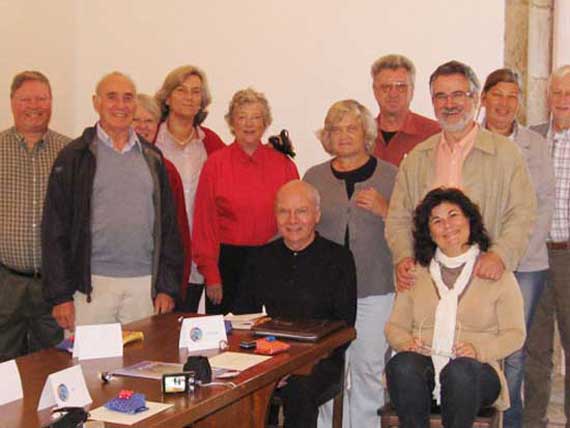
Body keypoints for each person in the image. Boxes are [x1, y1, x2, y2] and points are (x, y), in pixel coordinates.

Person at [42, 72, 183, 329]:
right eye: (112, 97)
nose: (121, 105)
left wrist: (166, 287)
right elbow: (55, 229)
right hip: (90, 288)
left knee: (144, 356)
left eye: (128, 98)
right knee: (88, 357)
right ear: (96, 102)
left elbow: (169, 227)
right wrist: (60, 295)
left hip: (144, 287)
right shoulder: (74, 157)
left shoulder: (152, 158)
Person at [385, 60, 536, 292]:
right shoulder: (417, 158)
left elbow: (522, 213)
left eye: (458, 95)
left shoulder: (505, 154)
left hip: (485, 275)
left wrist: (500, 255)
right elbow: (398, 217)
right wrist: (403, 256)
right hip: (428, 279)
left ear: (475, 99)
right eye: (441, 96)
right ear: (433, 102)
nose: (449, 104)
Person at [385, 187, 525, 428]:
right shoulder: (416, 273)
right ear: (429, 232)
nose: (447, 226)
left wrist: (478, 351)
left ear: (469, 220)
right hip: (425, 371)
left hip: (477, 372)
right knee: (402, 365)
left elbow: (515, 334)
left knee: (459, 371)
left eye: (453, 215)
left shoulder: (496, 273)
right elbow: (394, 327)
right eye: (436, 221)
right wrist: (406, 343)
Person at [304, 99, 397, 427]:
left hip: (375, 290)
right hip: (324, 294)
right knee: (325, 370)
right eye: (335, 129)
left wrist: (386, 210)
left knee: (368, 369)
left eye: (351, 128)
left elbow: (410, 229)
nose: (343, 136)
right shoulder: (314, 177)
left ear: (366, 133)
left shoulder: (390, 176)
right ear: (327, 136)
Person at [235, 180, 357, 428]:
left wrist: (295, 366)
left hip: (320, 360)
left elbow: (344, 325)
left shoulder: (339, 259)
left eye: (301, 211)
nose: (292, 220)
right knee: (233, 391)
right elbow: (242, 317)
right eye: (284, 211)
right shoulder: (260, 257)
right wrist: (269, 367)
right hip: (267, 356)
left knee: (298, 390)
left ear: (317, 215)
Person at [480, 68, 555, 428]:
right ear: (484, 98)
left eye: (513, 96)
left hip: (525, 263)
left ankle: (510, 420)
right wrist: (484, 254)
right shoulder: (470, 140)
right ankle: (479, 414)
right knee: (478, 340)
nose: (505, 103)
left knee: (513, 346)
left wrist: (511, 254)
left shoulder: (535, 145)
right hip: (478, 261)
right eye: (498, 94)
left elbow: (543, 203)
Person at [192, 88, 299, 315]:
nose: (249, 124)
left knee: (273, 331)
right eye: (242, 117)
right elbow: (205, 223)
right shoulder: (215, 165)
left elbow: (297, 219)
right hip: (228, 266)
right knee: (228, 334)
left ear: (265, 123)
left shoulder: (284, 165)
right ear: (232, 122)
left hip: (275, 260)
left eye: (256, 117)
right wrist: (211, 275)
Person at [0, 71, 70, 361]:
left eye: (41, 98)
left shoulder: (69, 151)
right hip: (6, 281)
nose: (34, 106)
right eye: (26, 99)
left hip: (54, 284)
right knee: (4, 363)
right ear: (12, 102)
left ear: (51, 102)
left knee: (53, 363)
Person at [155, 65, 225, 312]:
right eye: (181, 90)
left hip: (196, 262)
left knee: (184, 328)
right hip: (158, 260)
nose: (189, 97)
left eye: (196, 92)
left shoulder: (212, 144)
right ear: (167, 97)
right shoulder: (151, 141)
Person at [524, 64, 570, 428]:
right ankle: (532, 420)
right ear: (547, 95)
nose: (563, 99)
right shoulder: (531, 139)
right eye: (557, 92)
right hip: (535, 256)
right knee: (534, 348)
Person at [134, 93, 192, 312]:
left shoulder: (166, 170)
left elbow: (178, 234)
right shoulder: (107, 166)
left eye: (149, 121)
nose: (143, 126)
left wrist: (171, 288)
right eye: (136, 120)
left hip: (157, 282)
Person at [371, 54, 440, 166]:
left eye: (401, 87)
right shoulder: (362, 135)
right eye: (386, 87)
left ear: (412, 90)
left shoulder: (434, 134)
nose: (393, 94)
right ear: (375, 90)